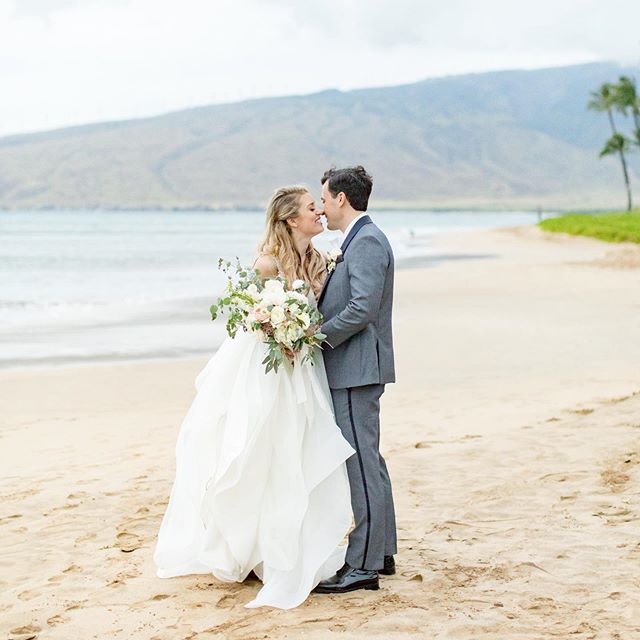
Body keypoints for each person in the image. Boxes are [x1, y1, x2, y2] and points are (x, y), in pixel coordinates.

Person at [153, 186, 355, 609]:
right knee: (258, 452)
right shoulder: (267, 263)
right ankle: (250, 547)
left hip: (303, 368)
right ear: (289, 219)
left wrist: (298, 331)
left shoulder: (320, 261)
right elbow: (256, 317)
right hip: (267, 371)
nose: (319, 214)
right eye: (311, 209)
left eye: (320, 207)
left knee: (297, 454)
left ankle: (286, 543)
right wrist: (279, 326)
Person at [314, 166, 397, 594]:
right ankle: (381, 553)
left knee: (361, 464)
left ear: (341, 199)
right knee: (370, 461)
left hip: (356, 368)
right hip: (360, 367)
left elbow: (362, 309)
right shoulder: (362, 239)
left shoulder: (365, 242)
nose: (322, 207)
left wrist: (315, 338)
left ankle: (362, 566)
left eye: (324, 199)